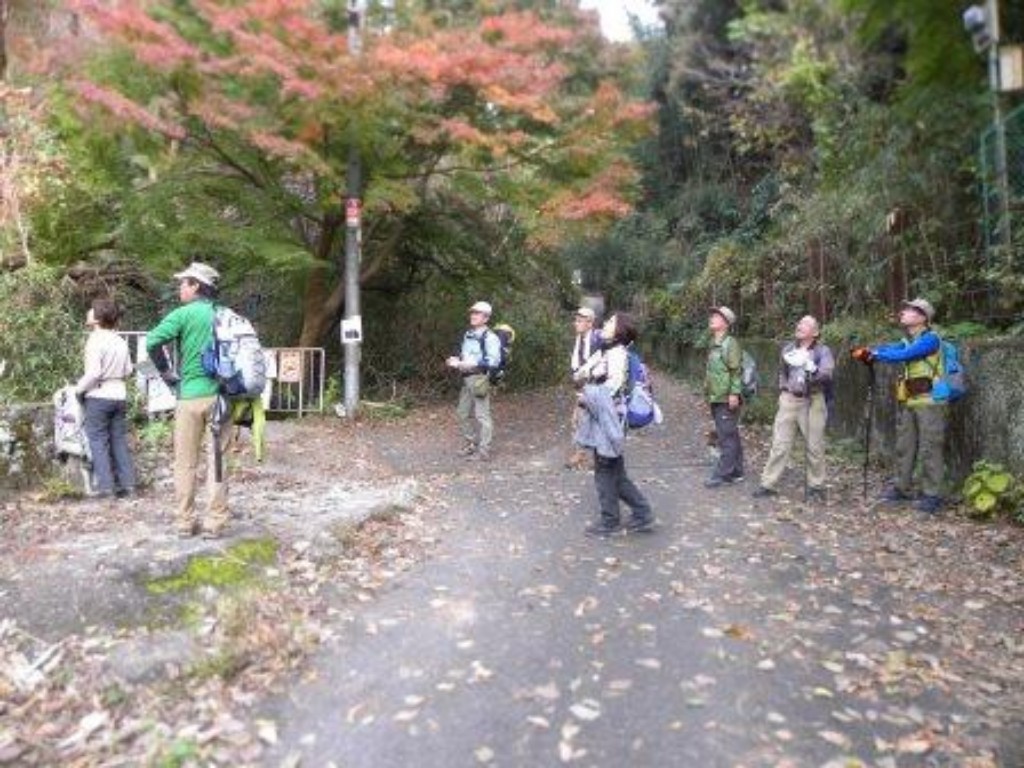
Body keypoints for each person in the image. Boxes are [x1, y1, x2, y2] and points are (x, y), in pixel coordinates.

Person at [146, 261, 232, 538]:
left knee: (185, 462)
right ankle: (215, 522)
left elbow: (152, 342)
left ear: (196, 286)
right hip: (221, 398)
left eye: (184, 283)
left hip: (189, 397)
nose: (180, 287)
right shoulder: (225, 314)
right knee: (217, 460)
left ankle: (185, 522)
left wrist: (167, 374)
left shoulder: (183, 315)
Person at [852, 298, 946, 514]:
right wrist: (867, 352)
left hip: (931, 401)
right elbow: (889, 349)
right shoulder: (907, 340)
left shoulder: (930, 339)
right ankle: (901, 487)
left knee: (930, 447)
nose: (904, 312)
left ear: (923, 317)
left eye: (911, 310)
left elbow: (904, 356)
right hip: (910, 400)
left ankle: (932, 495)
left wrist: (876, 354)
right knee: (905, 445)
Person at [576, 312, 654, 537]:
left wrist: (586, 396)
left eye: (610, 322)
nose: (606, 324)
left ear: (620, 330)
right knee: (614, 470)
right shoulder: (607, 351)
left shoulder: (617, 354)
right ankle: (642, 513)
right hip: (606, 417)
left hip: (610, 419)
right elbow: (582, 373)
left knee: (604, 470)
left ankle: (609, 520)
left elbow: (613, 388)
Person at [753, 315, 835, 501]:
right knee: (779, 444)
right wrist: (784, 390)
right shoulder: (789, 349)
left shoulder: (823, 351)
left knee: (814, 445)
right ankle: (768, 483)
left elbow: (827, 374)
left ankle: (817, 486)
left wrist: (812, 369)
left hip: (813, 400)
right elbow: (782, 371)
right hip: (789, 400)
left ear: (815, 332)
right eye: (799, 322)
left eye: (805, 324)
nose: (799, 325)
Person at [75, 298, 136, 499]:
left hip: (99, 395)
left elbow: (93, 373)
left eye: (91, 310)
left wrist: (78, 389)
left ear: (97, 317)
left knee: (98, 441)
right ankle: (129, 485)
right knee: (118, 440)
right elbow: (129, 370)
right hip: (119, 393)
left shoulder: (94, 340)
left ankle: (107, 488)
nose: (89, 312)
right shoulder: (119, 340)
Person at [446, 300, 502, 461]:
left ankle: (484, 451)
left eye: (477, 313)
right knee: (462, 413)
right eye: (472, 312)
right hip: (466, 378)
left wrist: (469, 364)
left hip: (479, 379)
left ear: (486, 318)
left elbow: (493, 362)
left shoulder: (490, 337)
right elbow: (466, 356)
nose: (473, 315)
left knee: (482, 415)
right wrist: (456, 360)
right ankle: (470, 443)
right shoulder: (468, 334)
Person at [704, 306, 745, 488]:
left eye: (716, 316)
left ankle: (723, 474)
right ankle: (737, 470)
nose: (712, 318)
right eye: (712, 315)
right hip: (716, 396)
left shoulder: (730, 343)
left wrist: (734, 393)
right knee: (731, 433)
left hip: (726, 397)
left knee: (725, 436)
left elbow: (736, 371)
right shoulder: (714, 343)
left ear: (725, 323)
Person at [566, 306, 603, 469]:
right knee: (578, 420)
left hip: (595, 388)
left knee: (592, 421)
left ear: (590, 323)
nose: (576, 323)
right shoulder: (579, 338)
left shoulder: (597, 339)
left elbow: (599, 362)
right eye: (576, 320)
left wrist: (583, 373)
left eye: (580, 321)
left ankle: (591, 457)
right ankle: (581, 455)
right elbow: (576, 362)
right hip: (582, 388)